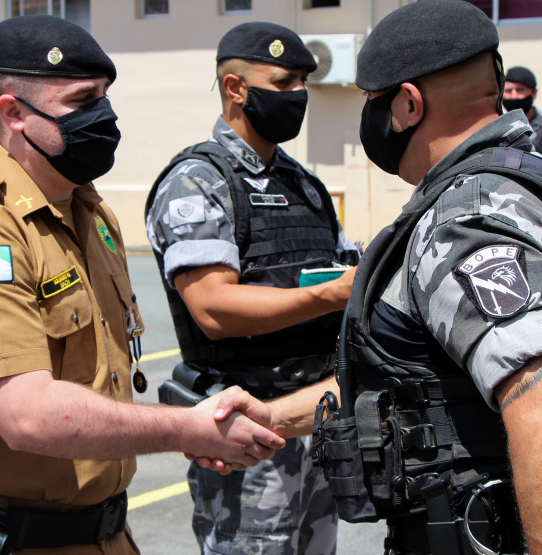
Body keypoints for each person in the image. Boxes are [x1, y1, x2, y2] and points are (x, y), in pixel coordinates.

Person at [201, 2, 542, 554]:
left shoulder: (466, 222)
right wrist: (273, 415)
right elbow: (415, 378)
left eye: (372, 102)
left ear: (407, 104)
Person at [0, 15, 284, 555]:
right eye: (82, 101)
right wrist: (186, 429)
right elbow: (26, 414)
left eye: (105, 97)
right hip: (10, 541)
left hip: (103, 533)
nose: (103, 117)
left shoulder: (91, 212)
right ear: (13, 113)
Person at [145, 21, 357, 555]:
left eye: (304, 83)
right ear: (236, 88)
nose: (299, 96)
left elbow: (340, 271)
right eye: (284, 82)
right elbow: (214, 307)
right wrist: (334, 294)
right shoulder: (198, 181)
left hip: (315, 416)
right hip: (247, 431)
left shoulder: (303, 185)